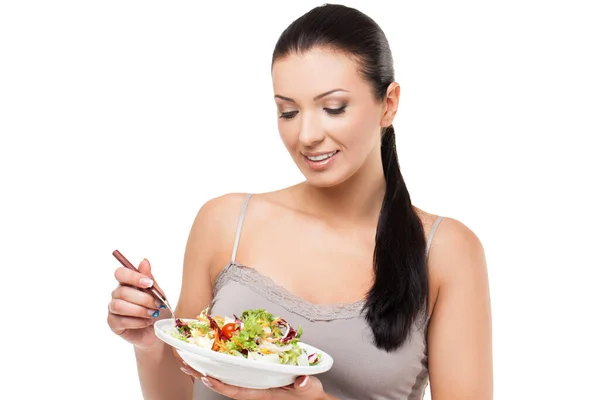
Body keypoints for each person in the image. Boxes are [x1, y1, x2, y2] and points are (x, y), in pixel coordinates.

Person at [107, 4, 493, 400]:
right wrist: (150, 341)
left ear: (388, 104)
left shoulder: (446, 251)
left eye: (333, 108)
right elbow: (180, 394)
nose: (306, 135)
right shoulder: (224, 224)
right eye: (287, 112)